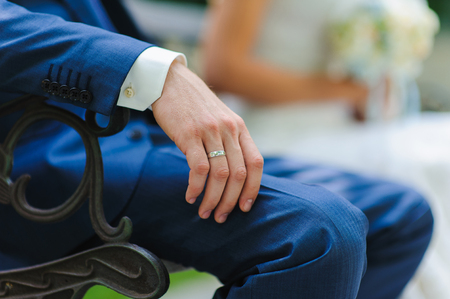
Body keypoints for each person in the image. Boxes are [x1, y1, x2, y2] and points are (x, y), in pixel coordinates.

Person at [0, 1, 433, 298]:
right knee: (319, 234)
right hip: (46, 158)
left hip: (141, 138)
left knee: (402, 214)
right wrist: (159, 74)